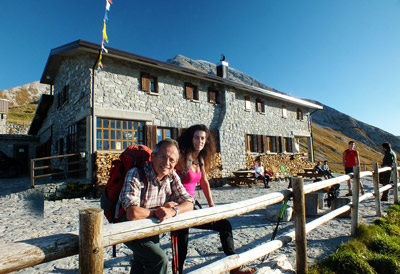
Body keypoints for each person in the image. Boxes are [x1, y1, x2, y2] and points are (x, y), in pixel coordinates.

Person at [175, 124, 255, 274]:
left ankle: (234, 268)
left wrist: (212, 206)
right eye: (197, 137)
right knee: (182, 244)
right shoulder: (182, 156)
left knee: (224, 225)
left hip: (191, 208)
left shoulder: (199, 159)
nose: (200, 141)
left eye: (203, 138)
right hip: (179, 208)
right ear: (190, 138)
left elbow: (204, 182)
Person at [119, 138, 194, 274]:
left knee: (141, 263)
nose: (167, 163)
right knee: (159, 259)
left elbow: (189, 202)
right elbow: (132, 213)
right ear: (153, 156)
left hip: (152, 228)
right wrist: (159, 211)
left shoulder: (171, 176)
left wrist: (173, 211)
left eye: (171, 160)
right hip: (129, 228)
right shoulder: (136, 174)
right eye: (163, 157)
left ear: (176, 163)